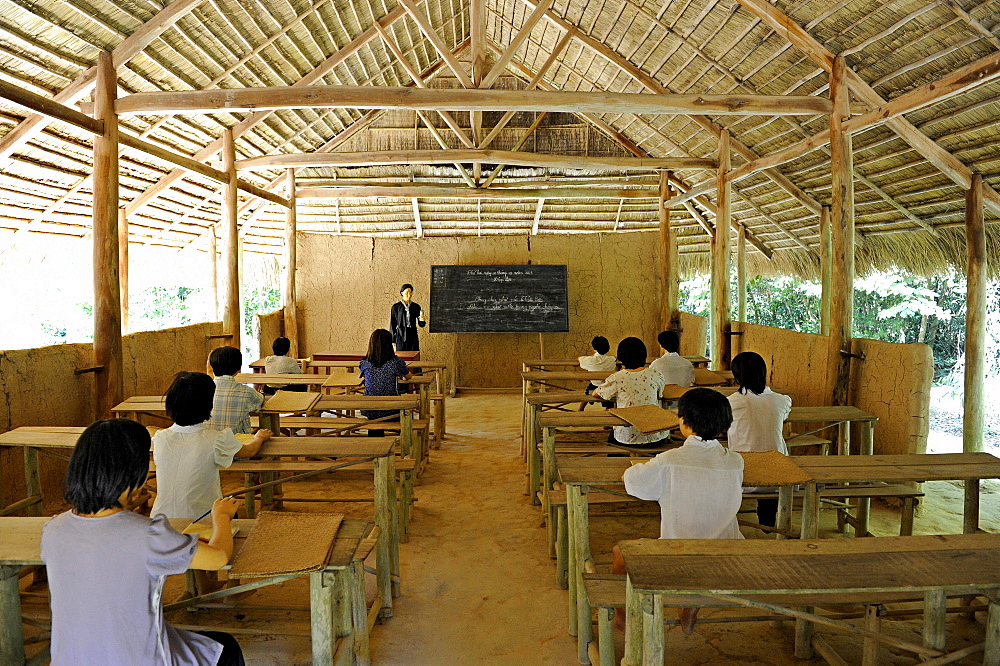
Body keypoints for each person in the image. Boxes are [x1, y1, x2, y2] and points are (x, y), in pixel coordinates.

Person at [41, 418, 247, 665]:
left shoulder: (53, 529)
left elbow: (104, 548)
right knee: (226, 648)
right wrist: (221, 517)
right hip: (137, 658)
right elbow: (219, 557)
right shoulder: (148, 535)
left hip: (72, 659)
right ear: (134, 472)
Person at [615, 387, 744, 634]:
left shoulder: (669, 460)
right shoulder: (736, 461)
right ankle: (689, 606)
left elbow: (634, 483)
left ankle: (622, 617)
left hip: (679, 561)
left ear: (683, 422)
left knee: (620, 553)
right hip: (727, 556)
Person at [151, 371, 271, 521]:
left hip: (160, 519)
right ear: (208, 404)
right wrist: (259, 437)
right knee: (236, 512)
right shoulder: (216, 439)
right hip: (201, 520)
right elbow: (250, 450)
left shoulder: (160, 438)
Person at [726, 351, 792, 529]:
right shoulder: (782, 400)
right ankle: (769, 522)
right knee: (769, 455)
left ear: (736, 376)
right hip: (780, 473)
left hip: (744, 474)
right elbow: (782, 417)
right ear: (764, 373)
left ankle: (726, 518)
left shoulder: (730, 403)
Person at [592, 337, 668, 446]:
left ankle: (613, 458)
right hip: (655, 434)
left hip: (627, 436)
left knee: (612, 439)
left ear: (621, 357)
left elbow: (596, 394)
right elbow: (660, 395)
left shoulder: (617, 378)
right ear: (644, 355)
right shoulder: (656, 375)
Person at [359, 328, 412, 436]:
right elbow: (408, 376)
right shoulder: (396, 362)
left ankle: (375, 443)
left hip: (369, 408)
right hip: (391, 408)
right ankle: (405, 440)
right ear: (389, 345)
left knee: (375, 415)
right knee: (408, 411)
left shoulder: (364, 363)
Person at [208, 345, 263, 434]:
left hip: (208, 443)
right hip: (238, 444)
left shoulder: (202, 390)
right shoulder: (246, 392)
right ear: (238, 370)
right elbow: (260, 401)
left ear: (212, 367)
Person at [390, 283, 426, 351]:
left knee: (413, 355)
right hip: (400, 335)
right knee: (401, 356)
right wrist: (392, 340)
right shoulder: (396, 307)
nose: (409, 295)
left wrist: (422, 320)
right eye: (406, 292)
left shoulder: (416, 306)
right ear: (402, 293)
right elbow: (392, 324)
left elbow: (421, 325)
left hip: (412, 334)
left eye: (410, 292)